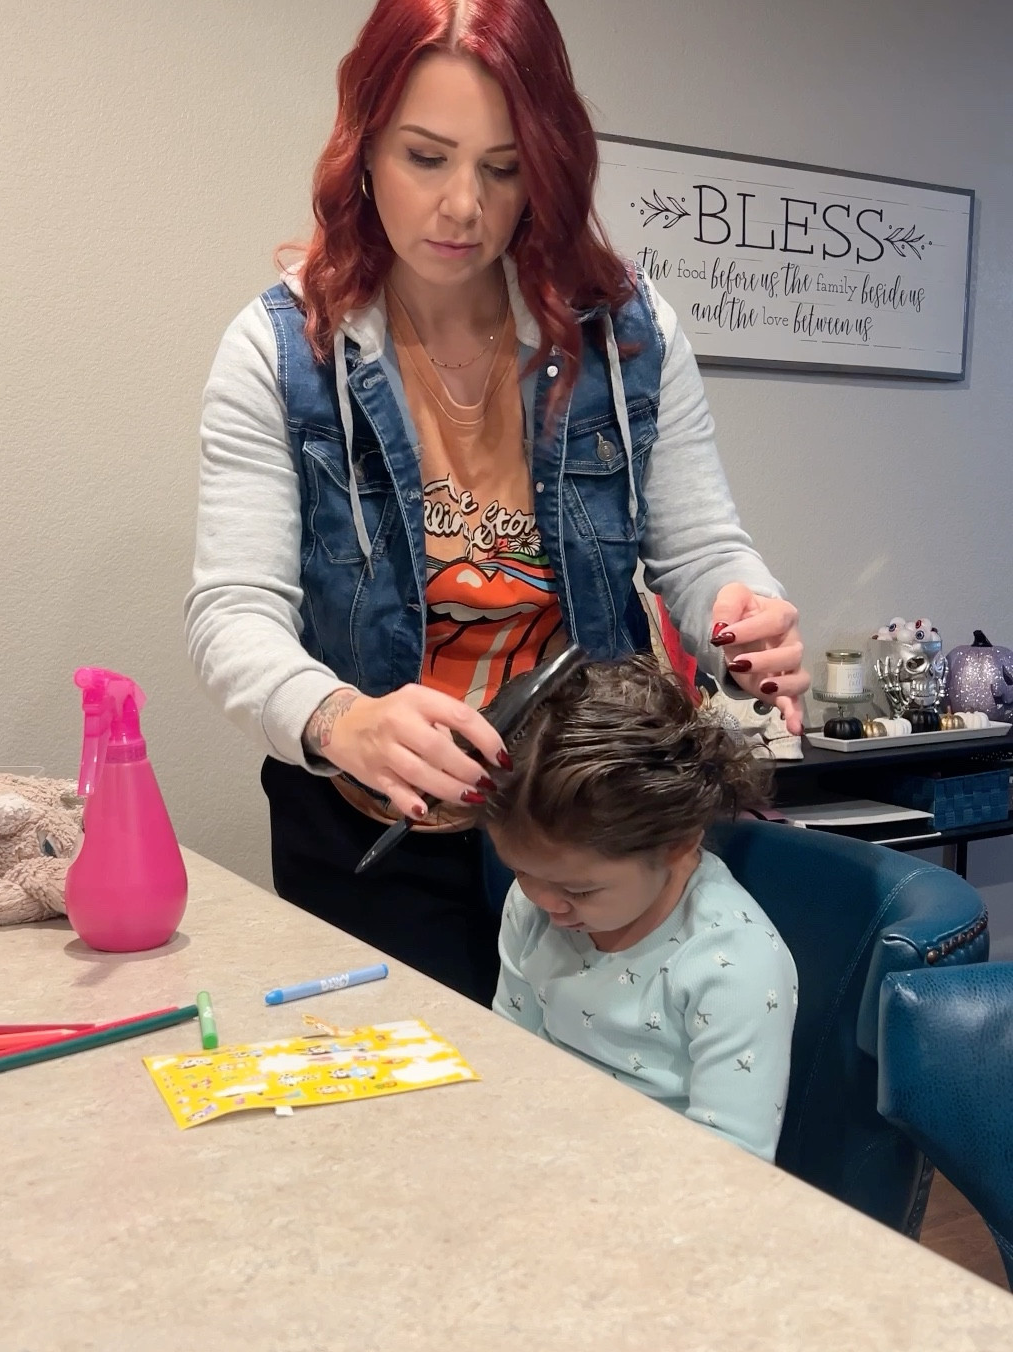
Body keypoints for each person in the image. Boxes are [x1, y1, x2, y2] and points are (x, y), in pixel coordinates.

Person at [185, 0, 809, 1008]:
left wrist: (746, 607)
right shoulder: (279, 354)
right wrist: (341, 717)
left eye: (504, 167)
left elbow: (701, 552)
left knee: (608, 1111)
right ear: (363, 148)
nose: (464, 206)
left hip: (587, 818)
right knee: (414, 1124)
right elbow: (232, 614)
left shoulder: (628, 336)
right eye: (426, 157)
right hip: (374, 829)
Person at [485, 655, 797, 1163]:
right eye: (520, 871)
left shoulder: (732, 966)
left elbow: (732, 1164)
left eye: (580, 891)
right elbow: (513, 1056)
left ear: (677, 843)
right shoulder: (536, 903)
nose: (542, 901)